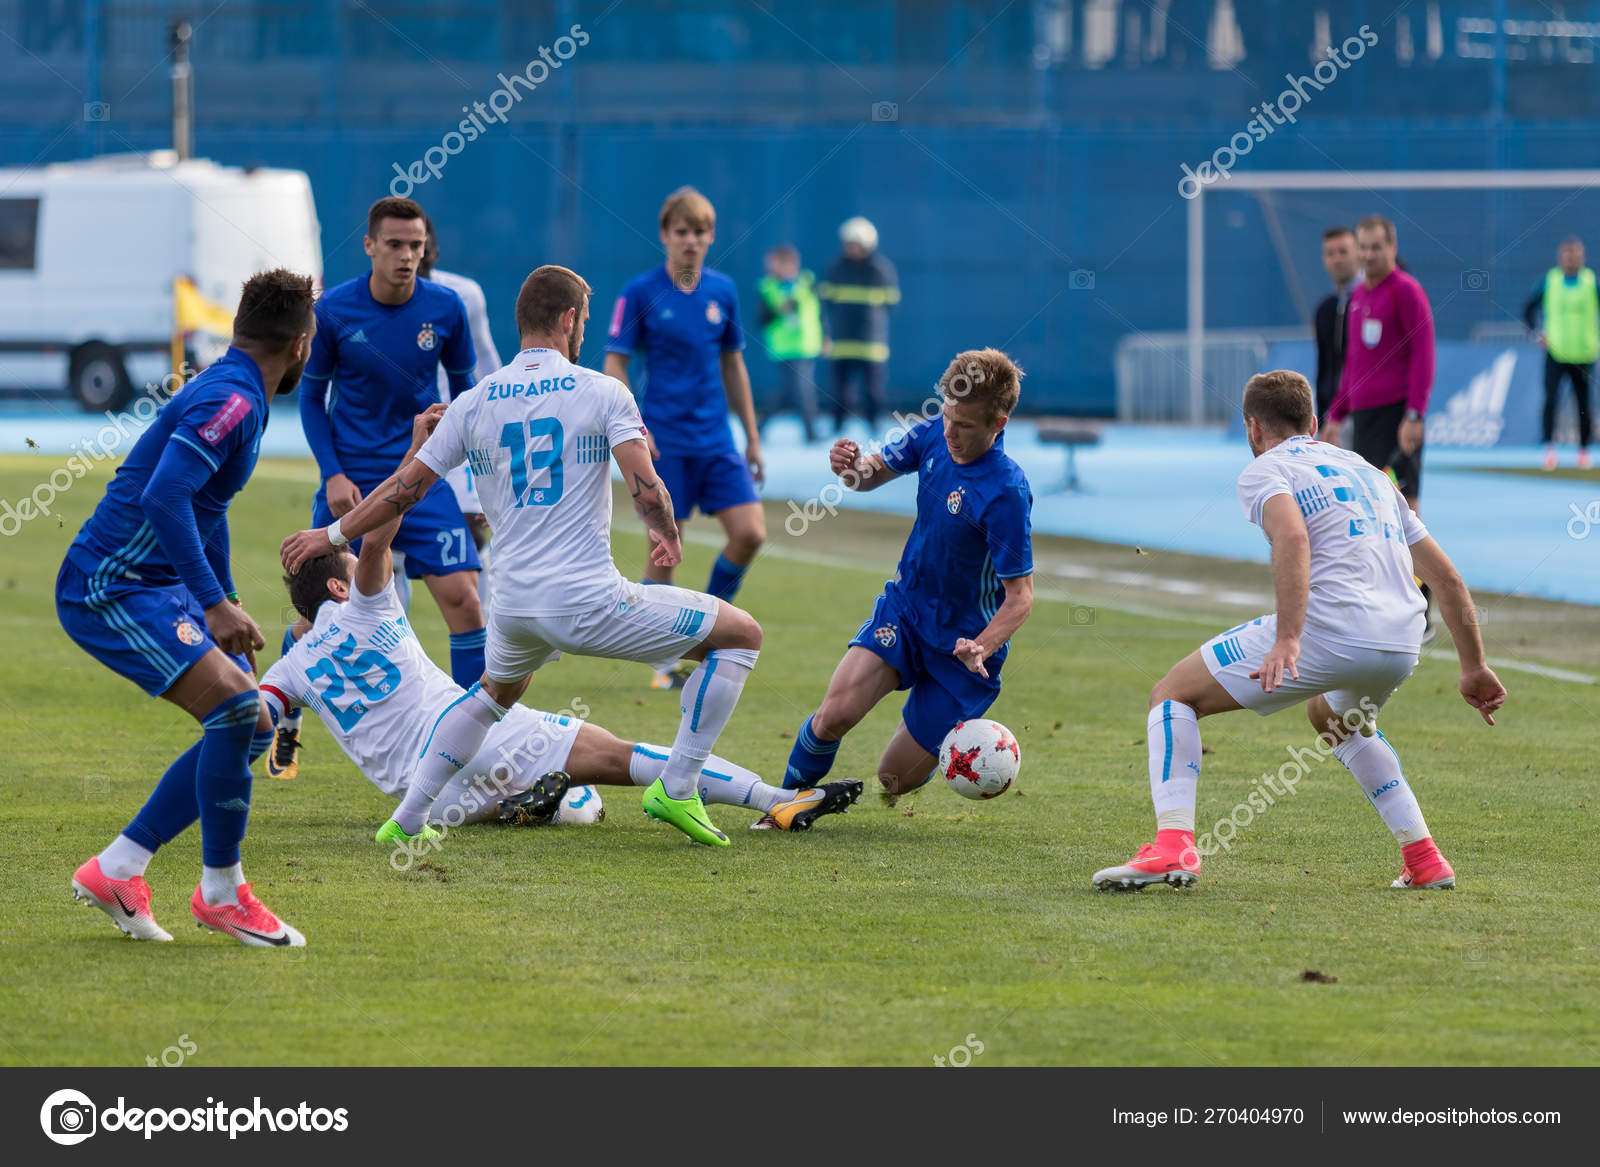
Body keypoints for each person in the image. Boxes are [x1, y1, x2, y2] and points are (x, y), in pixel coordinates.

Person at [282, 265, 776, 850]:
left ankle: (408, 817)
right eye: (584, 320)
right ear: (570, 319)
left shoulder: (473, 401)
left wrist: (332, 535)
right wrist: (664, 531)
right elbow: (644, 482)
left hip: (513, 606)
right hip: (589, 599)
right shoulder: (602, 390)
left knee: (491, 695)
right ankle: (679, 785)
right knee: (741, 635)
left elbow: (403, 489)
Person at [270, 429, 860, 833]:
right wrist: (418, 448)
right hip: (472, 743)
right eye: (351, 572)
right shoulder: (366, 607)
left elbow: (258, 715)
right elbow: (377, 536)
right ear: (341, 588)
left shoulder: (290, 667)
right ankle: (772, 800)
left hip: (432, 797)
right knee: (622, 758)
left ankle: (529, 809)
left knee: (577, 799)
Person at [1091, 370, 1506, 893]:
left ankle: (1173, 846)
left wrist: (1289, 638)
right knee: (1334, 718)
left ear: (1252, 428)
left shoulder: (1266, 469)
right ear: (1313, 423)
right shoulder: (1370, 472)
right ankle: (1424, 859)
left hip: (1329, 631)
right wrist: (1474, 667)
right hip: (1402, 637)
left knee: (1171, 695)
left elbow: (1291, 535)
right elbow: (1446, 577)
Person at [61, 268, 316, 947]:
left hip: (156, 582)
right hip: (111, 585)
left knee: (256, 719)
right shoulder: (233, 399)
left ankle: (119, 867)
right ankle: (223, 891)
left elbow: (206, 506)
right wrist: (211, 602)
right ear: (300, 345)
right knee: (236, 711)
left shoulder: (233, 388)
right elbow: (165, 498)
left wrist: (223, 600)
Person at [782, 349, 1034, 803]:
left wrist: (983, 645)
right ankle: (779, 802)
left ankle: (936, 727)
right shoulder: (935, 432)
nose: (951, 433)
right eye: (948, 418)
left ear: (999, 425)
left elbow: (1020, 598)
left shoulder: (1007, 493)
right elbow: (870, 474)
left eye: (966, 426)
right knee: (833, 716)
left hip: (964, 650)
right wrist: (851, 466)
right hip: (907, 612)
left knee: (893, 780)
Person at [295, 196, 485, 693]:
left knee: (466, 601)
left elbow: (467, 396)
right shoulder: (333, 309)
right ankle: (284, 714)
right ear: (369, 246)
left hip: (422, 476)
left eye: (416, 246)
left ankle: (477, 734)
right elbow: (312, 399)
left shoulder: (446, 309)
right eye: (395, 245)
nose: (406, 256)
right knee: (324, 619)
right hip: (353, 482)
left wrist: (477, 482)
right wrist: (333, 473)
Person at [603, 187, 765, 690]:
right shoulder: (640, 291)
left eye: (699, 232)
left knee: (750, 533)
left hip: (716, 441)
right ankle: (662, 663)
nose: (690, 241)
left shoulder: (723, 292)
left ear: (711, 237)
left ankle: (714, 624)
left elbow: (733, 363)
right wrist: (635, 428)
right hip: (662, 442)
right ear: (664, 236)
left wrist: (752, 438)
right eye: (681, 232)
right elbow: (615, 361)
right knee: (664, 549)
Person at [1323, 213, 1437, 637]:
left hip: (1398, 416)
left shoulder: (1406, 292)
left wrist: (1415, 413)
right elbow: (1354, 365)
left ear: (1391, 247)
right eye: (1364, 248)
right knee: (1371, 514)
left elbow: (1424, 354)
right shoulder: (1357, 299)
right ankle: (1384, 605)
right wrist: (1336, 415)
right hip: (1366, 421)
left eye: (1376, 247)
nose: (1369, 255)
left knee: (1407, 511)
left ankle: (1422, 609)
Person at [1521, 236, 1596, 471]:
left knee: (1584, 404)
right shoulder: (1549, 281)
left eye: (1576, 254)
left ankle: (1583, 451)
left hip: (1584, 354)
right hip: (1556, 353)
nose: (1572, 258)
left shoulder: (1591, 282)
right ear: (1561, 257)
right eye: (1568, 254)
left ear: (1582, 256)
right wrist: (1537, 333)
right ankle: (1549, 450)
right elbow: (1528, 310)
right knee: (1551, 401)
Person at [820, 216, 899, 433]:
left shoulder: (882, 270)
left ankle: (874, 424)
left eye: (855, 244)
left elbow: (891, 303)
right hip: (842, 342)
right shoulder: (835, 269)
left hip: (871, 344)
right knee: (839, 392)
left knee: (873, 392)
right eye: (848, 244)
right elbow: (825, 305)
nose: (851, 248)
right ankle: (837, 425)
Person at [756, 244, 824, 443]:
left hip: (807, 346)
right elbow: (762, 319)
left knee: (793, 392)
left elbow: (820, 313)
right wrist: (780, 309)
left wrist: (825, 337)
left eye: (774, 263)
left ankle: (761, 425)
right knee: (801, 391)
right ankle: (810, 431)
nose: (770, 267)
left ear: (789, 264)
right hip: (784, 349)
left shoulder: (807, 282)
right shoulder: (767, 287)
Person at [1313, 226, 1357, 426]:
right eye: (1330, 253)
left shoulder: (1376, 302)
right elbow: (1323, 369)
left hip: (1365, 412)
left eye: (1343, 251)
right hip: (1332, 417)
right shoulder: (1324, 310)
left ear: (1358, 253)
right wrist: (1322, 416)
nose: (1337, 259)